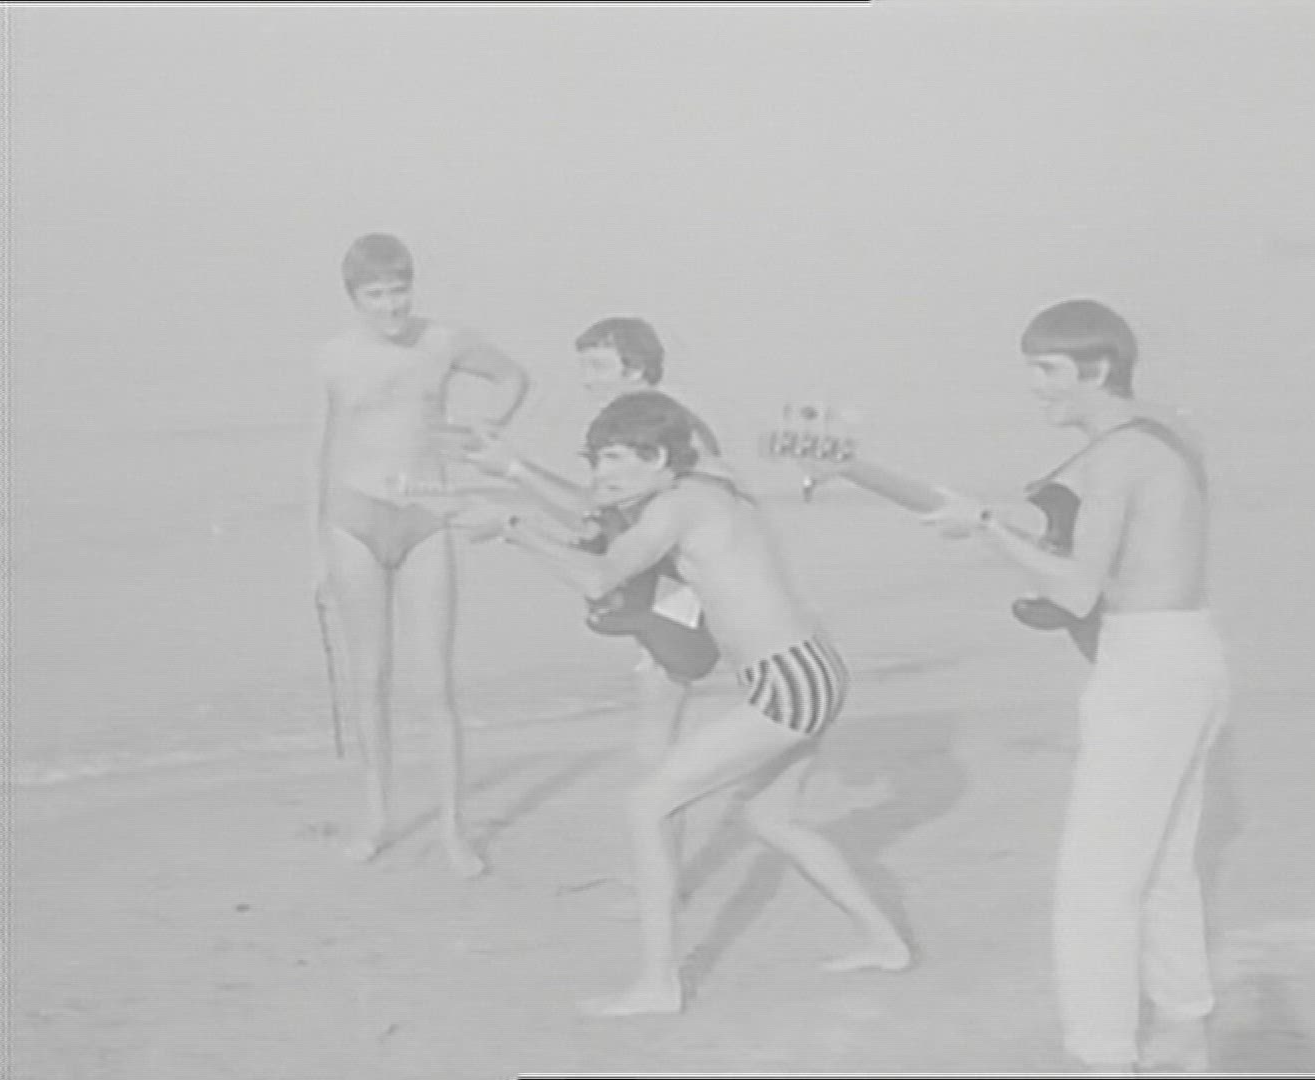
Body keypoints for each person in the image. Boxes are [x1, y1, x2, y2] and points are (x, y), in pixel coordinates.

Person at [484, 391, 910, 1017]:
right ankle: (884, 942)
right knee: (771, 819)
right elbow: (600, 514)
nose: (601, 475)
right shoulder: (704, 482)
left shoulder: (678, 506)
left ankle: (659, 985)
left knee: (647, 806)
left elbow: (599, 577)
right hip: (810, 668)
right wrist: (514, 473)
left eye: (614, 459)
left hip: (787, 682)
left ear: (658, 458)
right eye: (596, 460)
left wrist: (513, 530)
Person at [917, 299, 1228, 1074]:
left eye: (1048, 368)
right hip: (1194, 649)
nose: (1035, 386)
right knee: (1165, 864)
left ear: (1098, 367)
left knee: (1096, 880)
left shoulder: (1114, 457)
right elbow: (1117, 541)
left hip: (1145, 666)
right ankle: (1184, 1029)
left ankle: (1103, 1054)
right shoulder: (1164, 433)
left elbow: (1077, 590)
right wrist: (1000, 519)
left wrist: (986, 530)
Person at [463, 317, 733, 903]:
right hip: (681, 594)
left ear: (635, 370)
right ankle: (662, 872)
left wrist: (513, 479)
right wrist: (512, 470)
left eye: (597, 367)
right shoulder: (662, 418)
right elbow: (604, 516)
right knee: (657, 741)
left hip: (685, 599)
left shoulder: (661, 428)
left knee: (657, 746)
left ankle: (662, 879)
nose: (585, 380)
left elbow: (600, 516)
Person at [308, 233, 530, 871]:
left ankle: (455, 830)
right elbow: (322, 450)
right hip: (352, 518)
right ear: (354, 297)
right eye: (375, 294)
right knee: (370, 679)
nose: (390, 305)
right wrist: (317, 552)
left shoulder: (444, 342)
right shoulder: (333, 356)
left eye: (398, 290)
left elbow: (513, 377)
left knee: (435, 684)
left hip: (428, 515)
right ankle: (377, 818)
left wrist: (485, 430)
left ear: (412, 286)